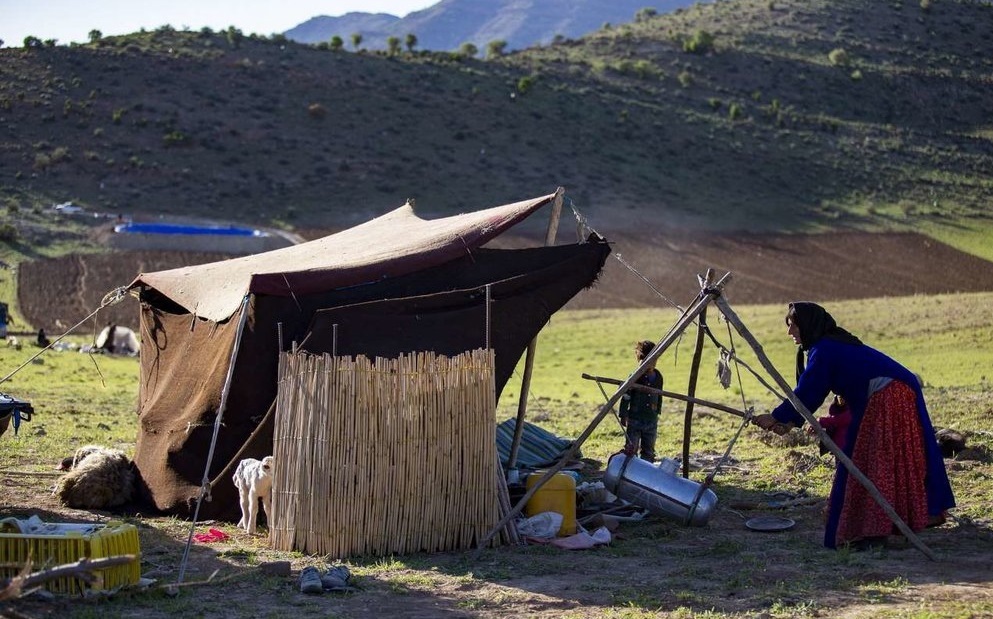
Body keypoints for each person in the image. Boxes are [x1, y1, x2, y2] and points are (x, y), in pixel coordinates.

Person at [754, 302, 955, 550]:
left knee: (874, 459)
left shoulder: (825, 349)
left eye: (793, 325)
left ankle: (874, 527)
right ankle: (891, 520)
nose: (790, 332)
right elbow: (811, 392)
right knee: (882, 458)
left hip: (889, 396)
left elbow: (808, 391)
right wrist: (786, 422)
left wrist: (776, 417)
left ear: (807, 325)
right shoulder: (827, 346)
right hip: (891, 393)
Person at [619, 340, 664, 462]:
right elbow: (626, 396)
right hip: (635, 419)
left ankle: (647, 471)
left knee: (648, 450)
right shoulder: (634, 377)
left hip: (651, 419)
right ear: (639, 361)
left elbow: (659, 395)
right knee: (631, 449)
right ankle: (630, 471)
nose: (650, 365)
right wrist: (623, 414)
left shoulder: (658, 376)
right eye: (645, 362)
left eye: (653, 361)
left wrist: (657, 410)